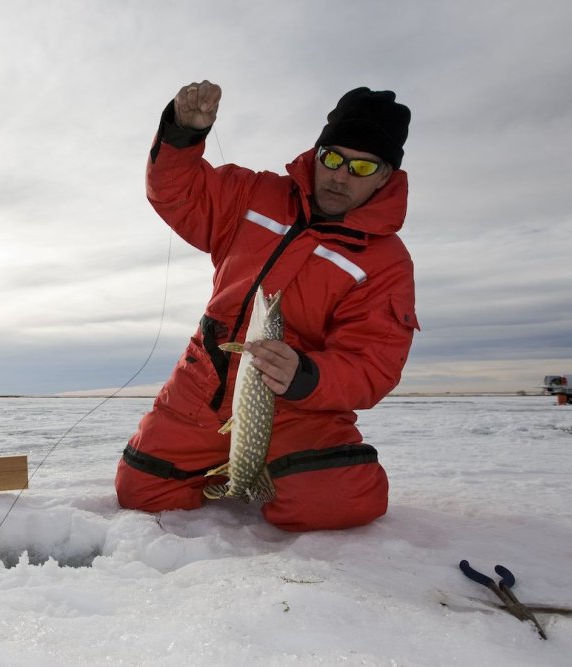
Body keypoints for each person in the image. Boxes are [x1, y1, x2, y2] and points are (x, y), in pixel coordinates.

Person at [115, 81, 419, 532]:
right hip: (205, 382)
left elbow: (373, 365)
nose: (340, 176)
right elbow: (177, 193)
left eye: (361, 166)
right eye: (332, 158)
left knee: (342, 499)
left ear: (385, 176)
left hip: (299, 407)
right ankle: (228, 470)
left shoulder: (385, 262)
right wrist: (182, 133)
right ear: (316, 154)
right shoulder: (253, 194)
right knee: (140, 491)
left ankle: (271, 471)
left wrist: (305, 375)